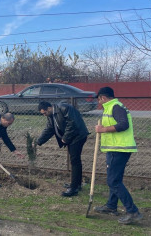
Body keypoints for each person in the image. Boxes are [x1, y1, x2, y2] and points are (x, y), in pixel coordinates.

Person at [94, 87, 142, 224]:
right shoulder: (112, 107)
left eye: (99, 100)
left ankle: (132, 211)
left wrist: (103, 129)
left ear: (103, 98)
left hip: (119, 149)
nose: (99, 103)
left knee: (113, 181)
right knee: (116, 178)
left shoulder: (115, 107)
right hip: (115, 148)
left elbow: (124, 124)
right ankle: (111, 206)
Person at [36, 101, 89, 197]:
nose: (44, 115)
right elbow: (49, 129)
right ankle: (77, 184)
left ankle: (73, 188)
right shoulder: (51, 115)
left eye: (44, 113)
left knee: (75, 161)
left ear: (49, 108)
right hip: (71, 137)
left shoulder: (64, 108)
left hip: (78, 136)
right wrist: (38, 142)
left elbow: (73, 123)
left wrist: (65, 137)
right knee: (75, 161)